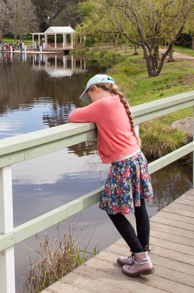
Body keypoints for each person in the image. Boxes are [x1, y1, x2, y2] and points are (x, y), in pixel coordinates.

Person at [68, 74, 154, 277]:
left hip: (123, 164)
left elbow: (73, 116)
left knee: (113, 209)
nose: (90, 102)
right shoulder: (118, 101)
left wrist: (90, 109)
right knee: (139, 205)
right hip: (136, 158)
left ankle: (140, 258)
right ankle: (142, 253)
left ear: (96, 89)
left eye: (89, 96)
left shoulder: (103, 104)